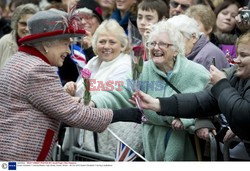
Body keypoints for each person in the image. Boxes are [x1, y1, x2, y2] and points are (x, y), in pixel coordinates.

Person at [0, 9, 142, 161]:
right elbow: (74, 114)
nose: (68, 51)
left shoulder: (18, 60)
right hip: (21, 156)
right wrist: (124, 115)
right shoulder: (37, 69)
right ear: (47, 44)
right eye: (65, 44)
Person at [90, 20, 210, 161]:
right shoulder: (142, 70)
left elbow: (207, 102)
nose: (156, 48)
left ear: (176, 49)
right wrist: (94, 102)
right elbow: (118, 90)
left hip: (185, 142)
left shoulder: (195, 72)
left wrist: (186, 119)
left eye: (162, 44)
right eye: (152, 43)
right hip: (152, 141)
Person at [130, 31, 250, 145]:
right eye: (152, 43)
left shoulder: (196, 69)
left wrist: (221, 84)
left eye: (243, 55)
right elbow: (202, 101)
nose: (236, 60)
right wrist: (158, 104)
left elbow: (244, 114)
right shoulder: (235, 73)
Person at [62, 19, 142, 159]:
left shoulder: (125, 65)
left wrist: (81, 96)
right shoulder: (93, 61)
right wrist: (71, 88)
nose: (106, 46)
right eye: (102, 41)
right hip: (88, 136)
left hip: (112, 137)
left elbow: (107, 95)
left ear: (122, 45)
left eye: (112, 42)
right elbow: (82, 88)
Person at [0, 3, 39, 70]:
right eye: (23, 24)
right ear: (16, 24)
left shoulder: (42, 45)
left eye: (31, 24)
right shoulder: (4, 41)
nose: (27, 29)